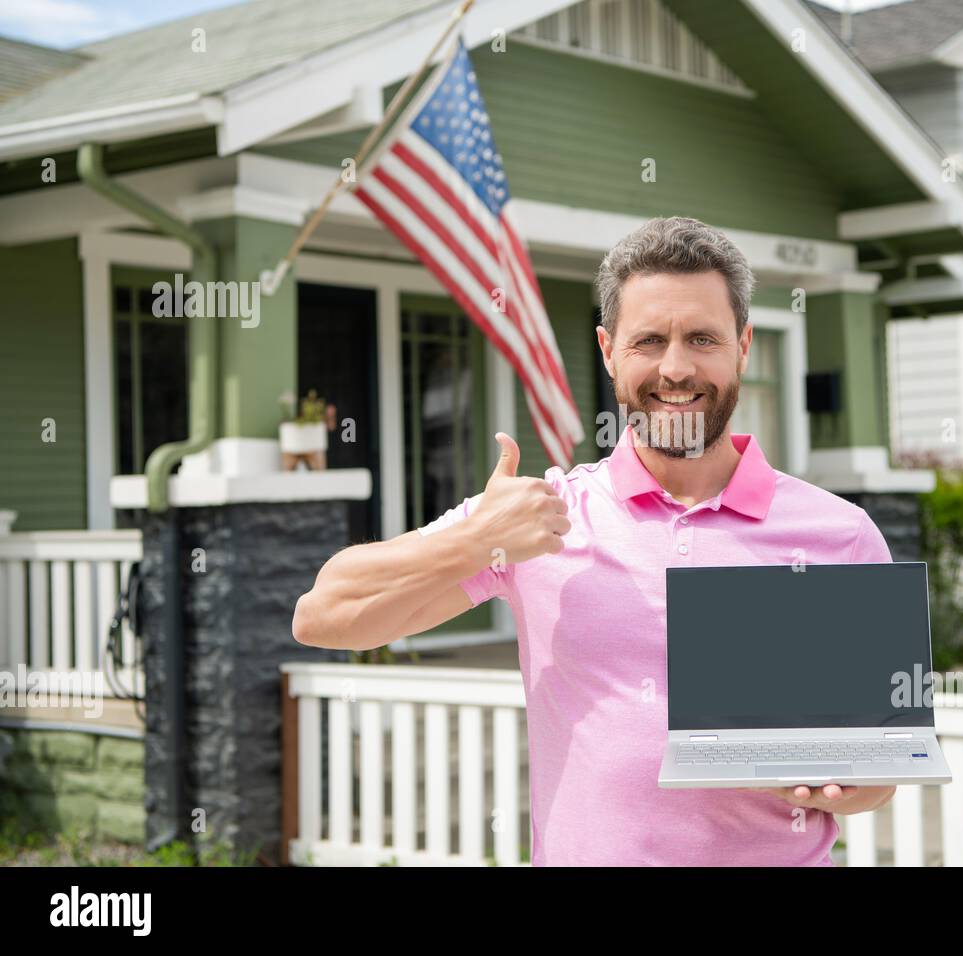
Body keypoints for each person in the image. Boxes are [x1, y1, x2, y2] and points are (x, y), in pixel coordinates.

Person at [293, 216, 896, 865]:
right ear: (608, 350)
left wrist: (847, 785)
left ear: (743, 345)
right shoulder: (543, 515)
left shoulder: (838, 534)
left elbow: (877, 769)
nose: (676, 367)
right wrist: (473, 541)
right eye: (649, 340)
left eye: (702, 338)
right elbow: (324, 615)